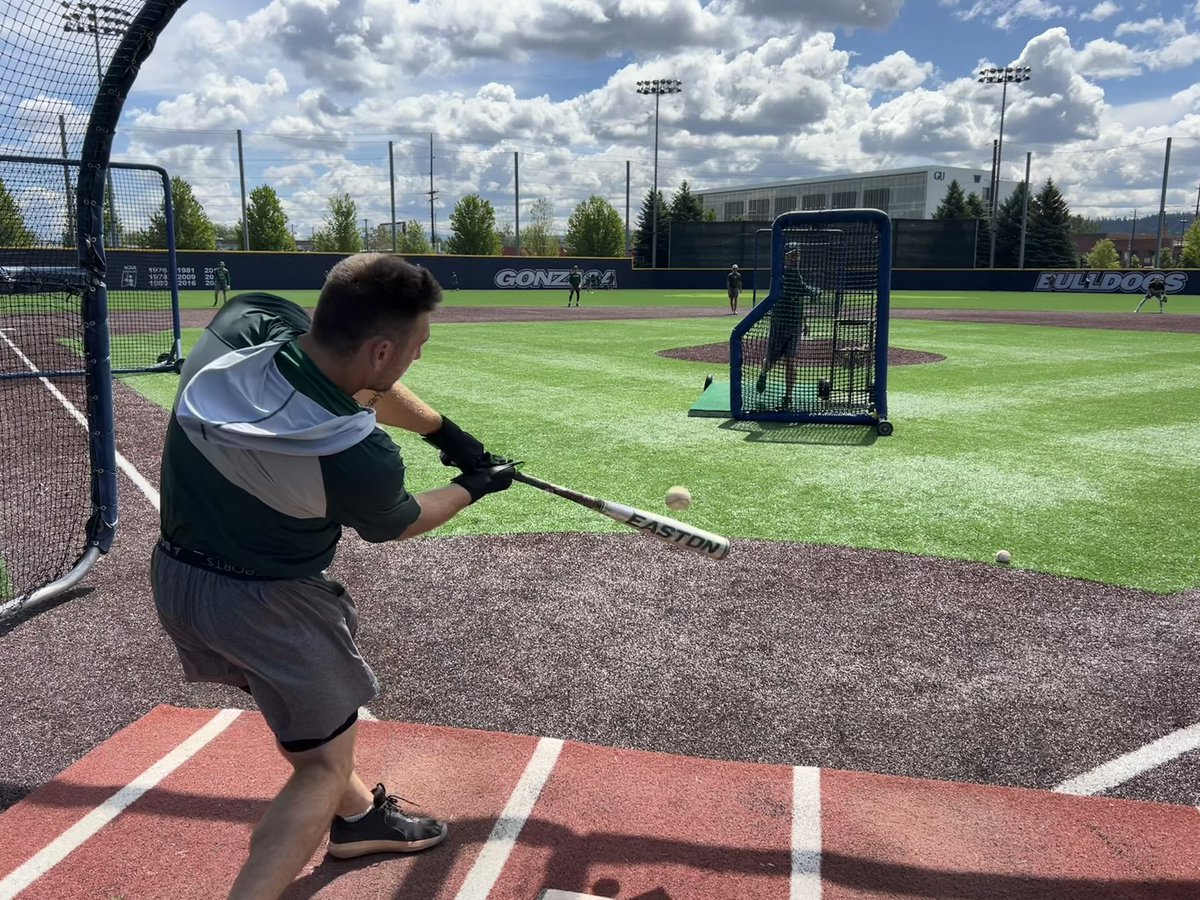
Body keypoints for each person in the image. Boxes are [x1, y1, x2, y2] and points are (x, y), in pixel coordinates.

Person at [152, 254, 515, 899]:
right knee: (321, 766)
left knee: (311, 725)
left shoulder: (249, 324)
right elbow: (398, 523)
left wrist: (442, 430)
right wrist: (472, 484)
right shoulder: (356, 456)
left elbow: (352, 380)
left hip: (180, 582)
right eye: (415, 346)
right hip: (273, 605)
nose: (417, 359)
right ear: (381, 351)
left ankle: (358, 819)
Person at [755, 254, 820, 410]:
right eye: (793, 255)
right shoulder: (785, 273)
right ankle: (763, 374)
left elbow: (798, 298)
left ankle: (788, 396)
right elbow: (803, 288)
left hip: (795, 325)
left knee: (791, 361)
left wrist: (804, 322)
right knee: (772, 360)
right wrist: (815, 291)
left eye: (798, 255)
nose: (796, 258)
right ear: (785, 257)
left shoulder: (795, 273)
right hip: (780, 324)